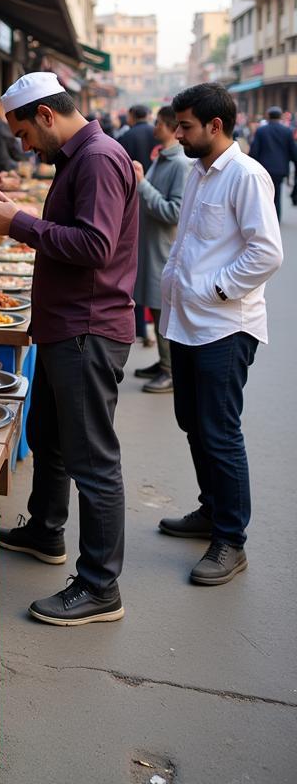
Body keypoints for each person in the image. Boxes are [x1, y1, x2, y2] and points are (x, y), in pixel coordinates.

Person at [0, 71, 137, 626]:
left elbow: (95, 247)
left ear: (47, 115)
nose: (23, 146)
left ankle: (101, 585)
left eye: (24, 134)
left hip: (88, 329)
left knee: (92, 459)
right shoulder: (77, 160)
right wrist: (17, 215)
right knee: (49, 436)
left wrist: (19, 223)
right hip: (66, 325)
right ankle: (46, 529)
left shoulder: (99, 159)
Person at [157, 83, 283, 586]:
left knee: (220, 431)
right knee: (192, 420)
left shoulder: (247, 176)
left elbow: (267, 252)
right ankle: (211, 510)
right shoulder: (197, 171)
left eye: (185, 126)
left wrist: (218, 289)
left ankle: (231, 540)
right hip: (187, 322)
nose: (178, 133)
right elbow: (189, 240)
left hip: (223, 326)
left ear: (215, 125)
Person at [132, 106, 190, 394]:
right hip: (151, 242)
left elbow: (174, 212)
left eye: (158, 123)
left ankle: (170, 369)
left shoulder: (179, 164)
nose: (154, 126)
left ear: (169, 127)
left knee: (162, 307)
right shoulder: (163, 158)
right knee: (155, 307)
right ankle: (162, 362)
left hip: (163, 246)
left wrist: (142, 184)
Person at [248, 106, 297, 219]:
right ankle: (276, 219)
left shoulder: (261, 130)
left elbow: (255, 151)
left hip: (264, 168)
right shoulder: (287, 131)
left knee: (264, 195)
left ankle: (265, 218)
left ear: (268, 116)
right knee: (277, 194)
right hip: (280, 169)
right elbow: (293, 151)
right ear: (280, 117)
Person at [119, 104, 156, 171]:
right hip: (154, 174)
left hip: (136, 174)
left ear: (132, 116)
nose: (127, 119)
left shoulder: (127, 135)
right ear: (147, 116)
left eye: (128, 116)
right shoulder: (156, 132)